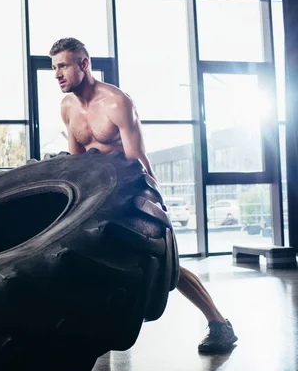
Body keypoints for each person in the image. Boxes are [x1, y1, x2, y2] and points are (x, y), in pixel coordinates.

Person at [49, 37, 238, 354]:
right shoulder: (68, 107)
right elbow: (77, 162)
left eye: (63, 65)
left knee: (168, 269)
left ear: (84, 64)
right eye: (54, 67)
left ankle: (219, 324)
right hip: (98, 201)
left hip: (134, 194)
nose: (57, 74)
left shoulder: (117, 104)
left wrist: (154, 207)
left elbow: (137, 163)